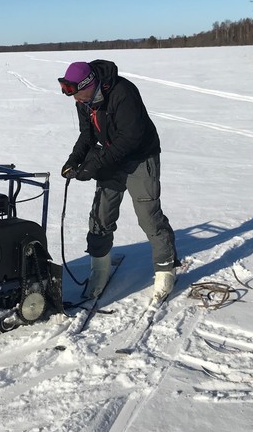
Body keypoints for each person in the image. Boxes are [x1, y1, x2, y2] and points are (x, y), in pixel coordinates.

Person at [58, 60, 179, 302]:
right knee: (101, 215)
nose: (75, 100)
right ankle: (100, 269)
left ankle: (165, 269)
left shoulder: (124, 92)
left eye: (77, 93)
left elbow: (131, 138)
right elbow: (87, 134)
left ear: (89, 84)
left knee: (148, 216)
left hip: (140, 157)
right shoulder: (84, 101)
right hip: (111, 156)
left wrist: (94, 164)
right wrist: (75, 159)